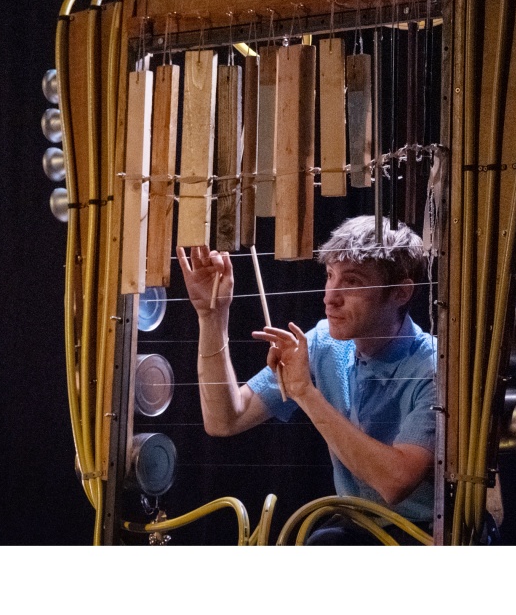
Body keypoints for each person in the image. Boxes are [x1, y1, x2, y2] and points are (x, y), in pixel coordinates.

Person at [176, 216, 436, 544]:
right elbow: (225, 419)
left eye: (352, 281)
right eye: (330, 276)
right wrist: (212, 316)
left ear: (400, 292)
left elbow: (394, 484)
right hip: (356, 528)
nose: (330, 297)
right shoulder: (324, 342)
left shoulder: (432, 368)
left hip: (426, 535)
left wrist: (305, 393)